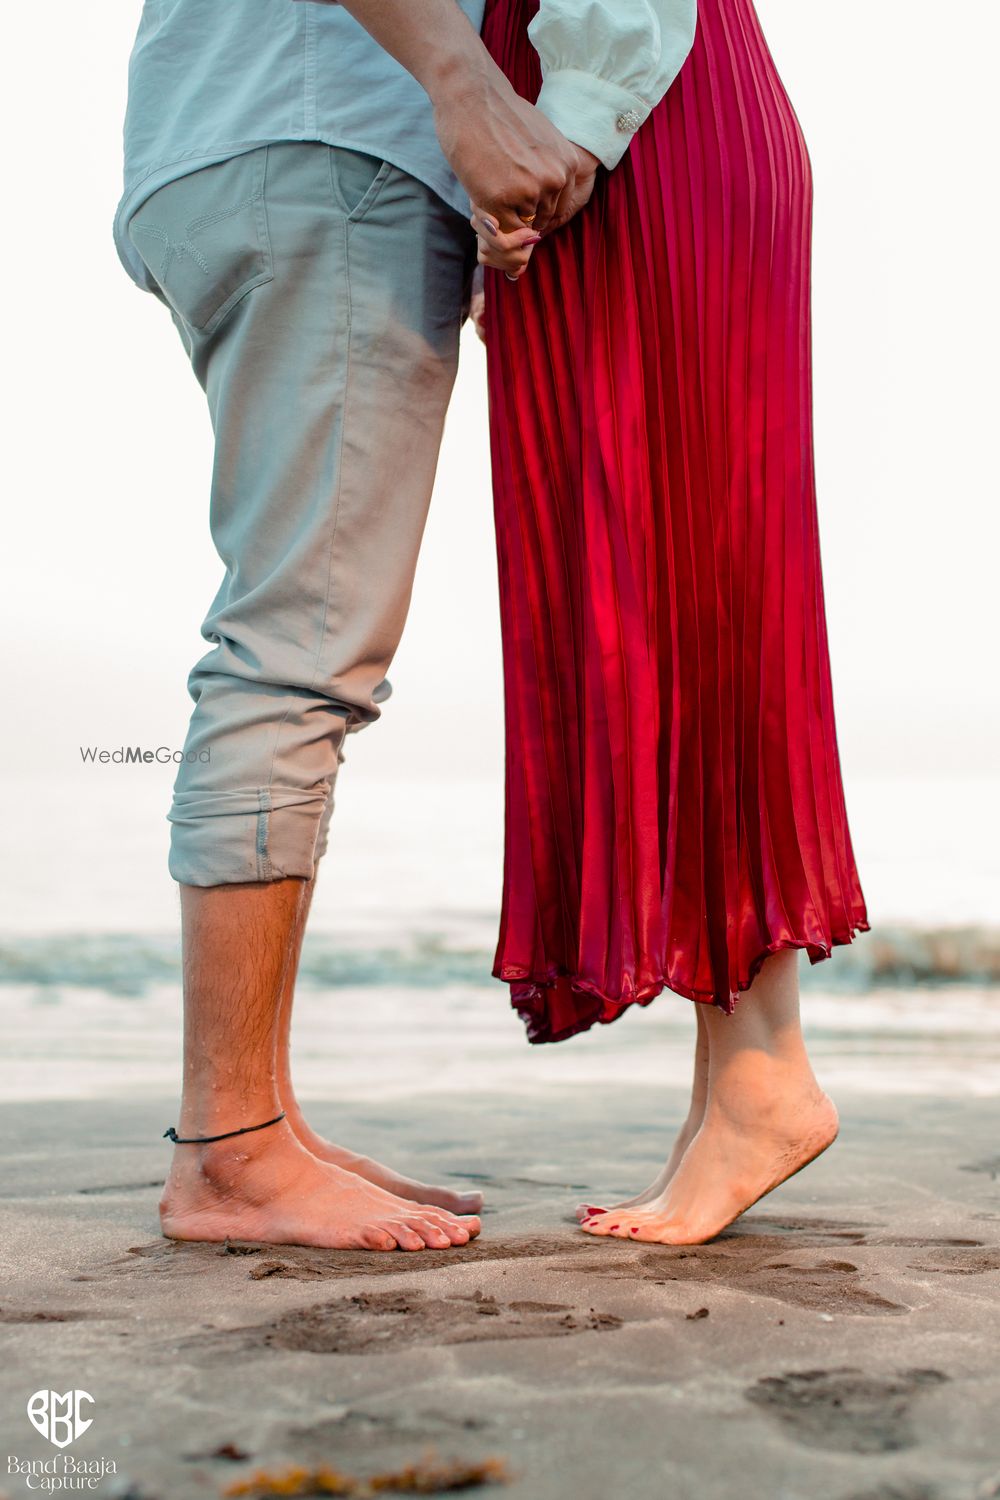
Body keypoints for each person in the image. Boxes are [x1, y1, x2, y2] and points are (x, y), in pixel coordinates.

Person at [113, 0, 665, 1251]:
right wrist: (459, 79)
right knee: (300, 652)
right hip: (326, 147)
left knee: (299, 641)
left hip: (239, 143)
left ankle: (259, 1123)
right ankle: (231, 1154)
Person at [472, 0, 871, 1244]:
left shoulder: (593, 126)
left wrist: (572, 136)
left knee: (689, 583)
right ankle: (732, 1082)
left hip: (636, 135)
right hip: (618, 124)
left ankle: (763, 1075)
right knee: (649, 590)